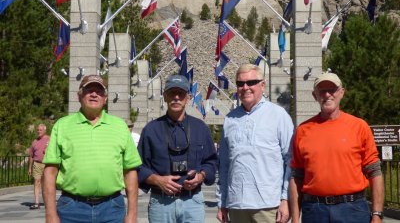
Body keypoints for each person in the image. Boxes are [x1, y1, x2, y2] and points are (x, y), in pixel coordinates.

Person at [42, 75, 142, 223]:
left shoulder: (120, 126)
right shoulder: (62, 126)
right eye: (89, 90)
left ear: (105, 98)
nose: (94, 94)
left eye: (99, 91)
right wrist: (50, 214)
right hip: (71, 209)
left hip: (112, 209)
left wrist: (132, 214)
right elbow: (50, 172)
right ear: (79, 95)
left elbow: (130, 172)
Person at [289, 72, 384, 223]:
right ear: (315, 96)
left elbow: (375, 172)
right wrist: (295, 218)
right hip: (315, 211)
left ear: (341, 93)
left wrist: (377, 214)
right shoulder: (302, 131)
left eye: (332, 89)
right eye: (322, 90)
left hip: (353, 210)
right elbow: (296, 177)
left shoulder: (359, 127)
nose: (327, 94)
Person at [217, 64, 294, 223]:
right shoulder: (229, 119)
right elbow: (224, 165)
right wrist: (222, 202)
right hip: (236, 205)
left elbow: (291, 161)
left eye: (251, 82)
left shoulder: (279, 116)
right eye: (240, 83)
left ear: (262, 85)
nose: (245, 87)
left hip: (269, 207)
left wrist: (286, 199)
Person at [137, 74, 218, 223]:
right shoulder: (150, 130)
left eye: (180, 94)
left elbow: (211, 162)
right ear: (165, 96)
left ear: (188, 98)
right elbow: (138, 167)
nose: (176, 97)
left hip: (193, 202)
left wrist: (200, 176)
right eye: (171, 93)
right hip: (161, 204)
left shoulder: (200, 128)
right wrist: (157, 180)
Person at [28, 123, 50, 210]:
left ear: (45, 130)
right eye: (38, 130)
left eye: (40, 130)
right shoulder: (34, 141)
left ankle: (47, 202)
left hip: (47, 164)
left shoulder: (50, 139)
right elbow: (31, 156)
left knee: (46, 184)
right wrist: (29, 168)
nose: (38, 131)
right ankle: (36, 203)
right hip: (36, 164)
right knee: (36, 182)